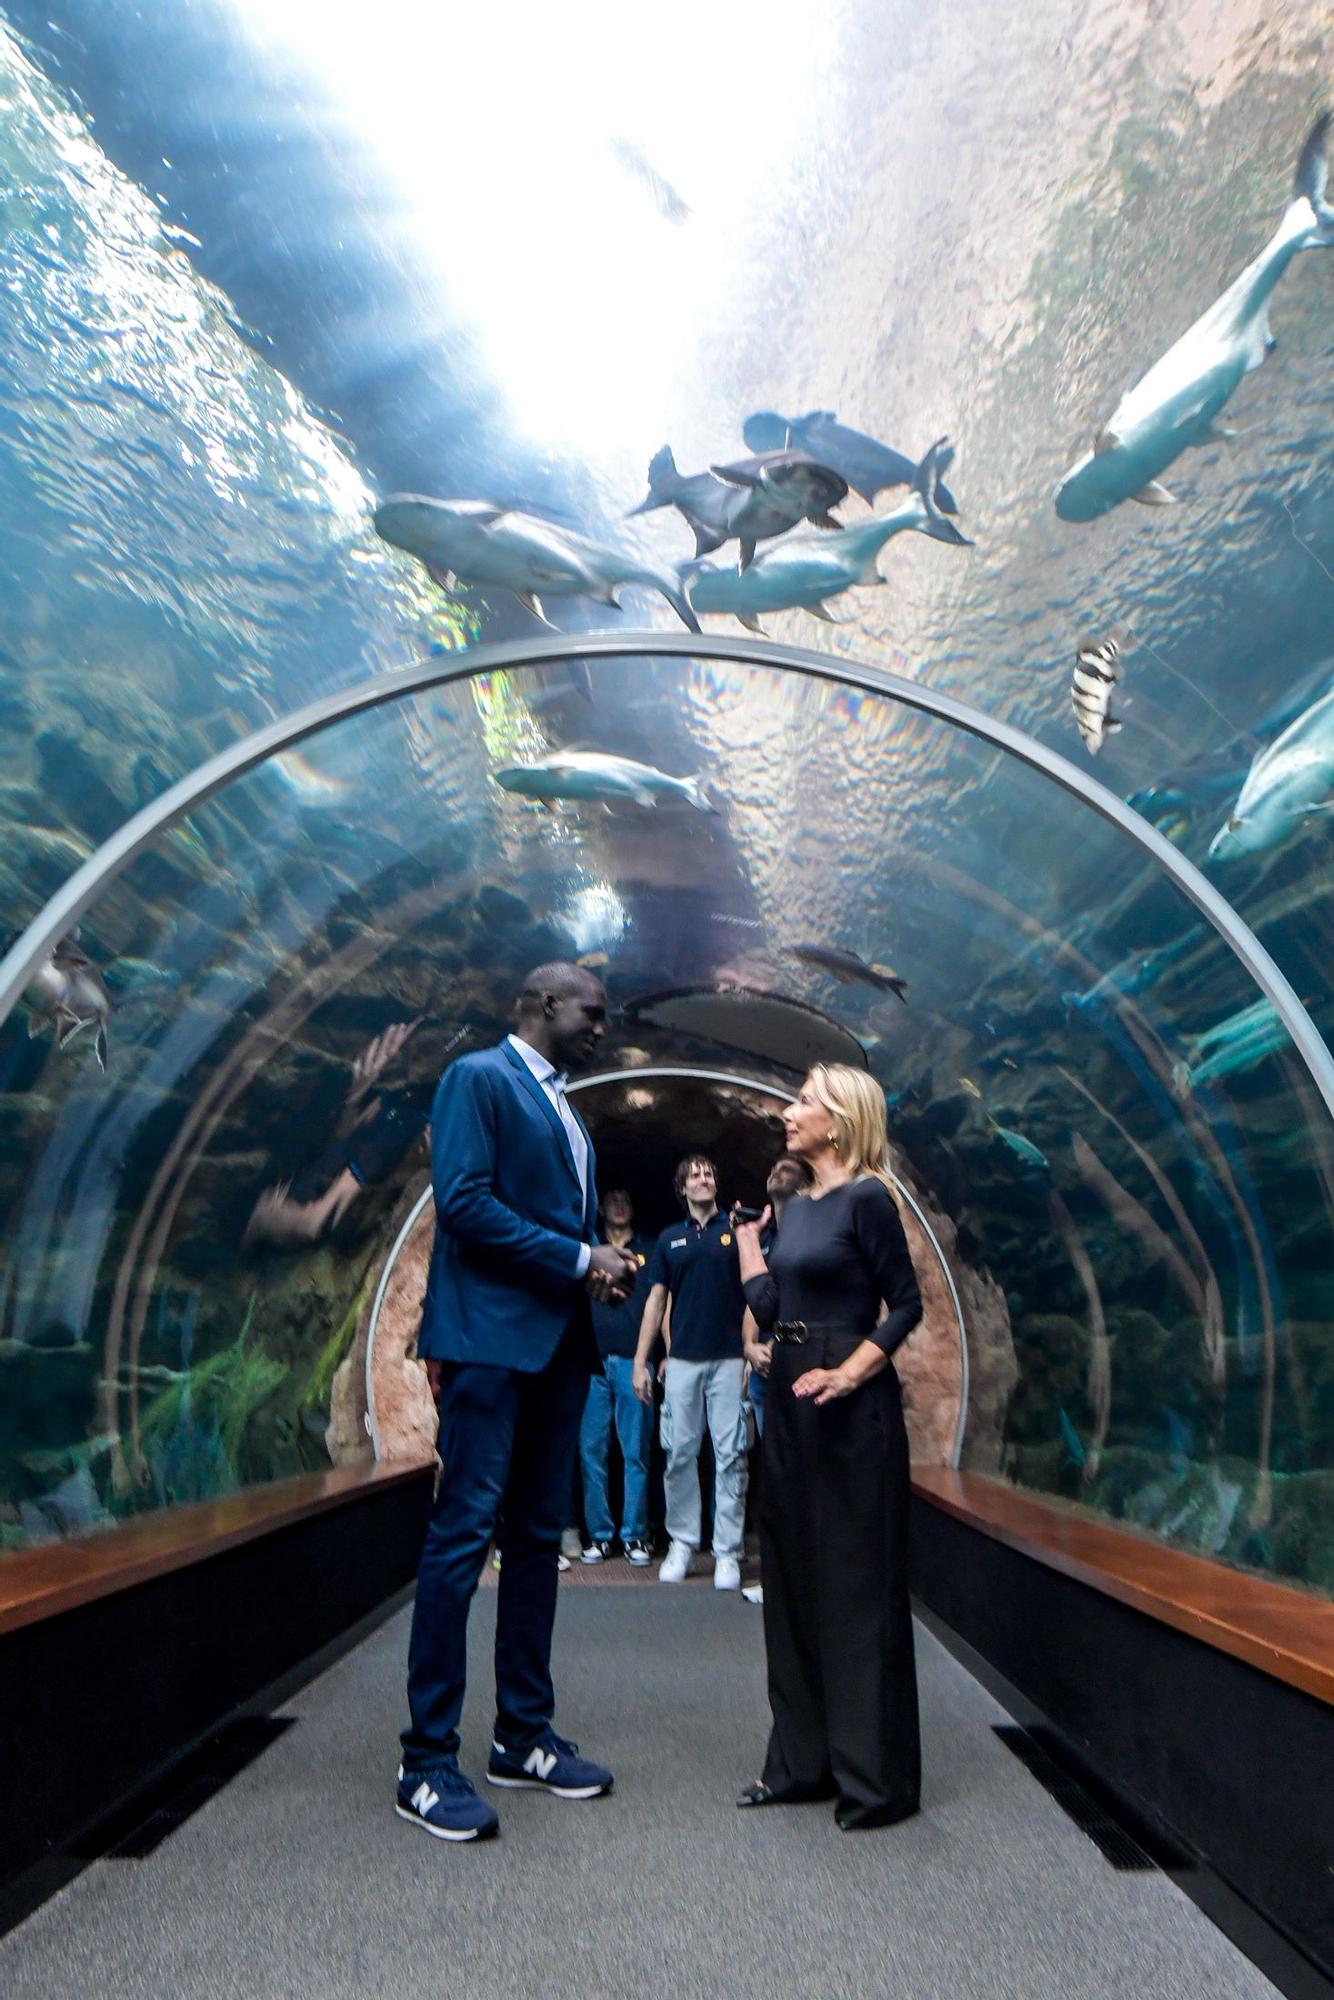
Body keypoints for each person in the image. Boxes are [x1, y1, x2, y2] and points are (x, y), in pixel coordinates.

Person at [397, 964, 638, 1844]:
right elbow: (462, 1205)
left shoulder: (567, 1107)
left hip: (554, 1349)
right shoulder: (478, 1079)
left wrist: (593, 1278)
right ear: (543, 1004)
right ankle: (424, 1761)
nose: (602, 1029)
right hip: (488, 1349)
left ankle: (520, 1735)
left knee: (538, 1541)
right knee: (462, 1537)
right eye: (593, 1013)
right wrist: (582, 1261)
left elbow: (549, 1228)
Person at [733, 1064, 923, 1832]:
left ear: (841, 1120)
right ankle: (800, 1765)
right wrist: (749, 1245)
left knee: (854, 1588)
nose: (788, 1111)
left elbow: (906, 1304)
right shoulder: (800, 1208)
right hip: (789, 1402)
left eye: (804, 1101)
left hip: (850, 1410)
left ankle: (873, 1780)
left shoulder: (868, 1198)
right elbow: (775, 1306)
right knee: (790, 1578)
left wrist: (851, 1372)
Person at [633, 1154, 748, 1590]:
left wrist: (751, 1351)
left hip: (730, 1359)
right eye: (695, 1175)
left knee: (731, 1454)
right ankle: (682, 1541)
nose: (704, 1178)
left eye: (709, 1172)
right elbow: (656, 1302)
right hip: (682, 1361)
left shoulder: (737, 1231)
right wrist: (643, 1361)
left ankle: (727, 1551)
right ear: (682, 1189)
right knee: (679, 1454)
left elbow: (757, 1291)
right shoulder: (669, 1239)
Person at [578, 1188, 654, 1564]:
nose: (620, 1203)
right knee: (591, 1453)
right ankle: (600, 1535)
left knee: (635, 1453)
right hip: (591, 1365)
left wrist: (649, 1359)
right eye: (613, 1199)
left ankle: (635, 1535)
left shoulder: (651, 1250)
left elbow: (661, 1302)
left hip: (632, 1362)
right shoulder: (588, 1250)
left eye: (627, 1198)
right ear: (602, 1207)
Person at [741, 1152, 813, 1444]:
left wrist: (777, 1339)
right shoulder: (766, 1238)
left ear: (804, 1183)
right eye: (773, 1168)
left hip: (801, 1362)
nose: (776, 1172)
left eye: (786, 1169)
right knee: (772, 1458)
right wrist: (748, 1347)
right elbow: (753, 1299)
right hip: (764, 1368)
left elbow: (814, 1303)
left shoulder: (812, 1236)